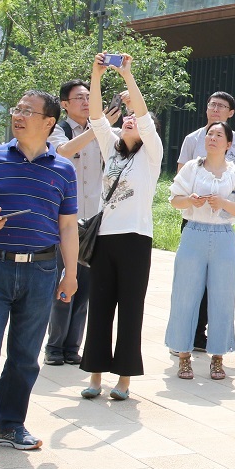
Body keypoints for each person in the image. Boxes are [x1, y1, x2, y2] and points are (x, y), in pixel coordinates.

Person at [0, 91, 79, 464]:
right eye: (16, 109)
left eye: (27, 111)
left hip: (42, 270)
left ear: (49, 122)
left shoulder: (63, 169)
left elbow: (68, 226)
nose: (18, 116)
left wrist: (70, 274)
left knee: (25, 355)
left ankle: (9, 425)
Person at [78, 54, 162, 401]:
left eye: (136, 120)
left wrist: (127, 74)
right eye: (126, 118)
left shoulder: (151, 155)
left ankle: (124, 379)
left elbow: (142, 115)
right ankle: (95, 376)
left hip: (135, 241)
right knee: (99, 308)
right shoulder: (111, 149)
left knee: (130, 310)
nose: (130, 120)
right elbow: (96, 117)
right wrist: (96, 75)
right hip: (104, 239)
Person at [166, 121, 235, 381]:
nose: (212, 138)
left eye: (218, 135)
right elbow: (174, 200)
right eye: (209, 134)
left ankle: (217, 357)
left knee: (223, 297)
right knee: (184, 295)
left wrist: (224, 202)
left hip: (224, 236)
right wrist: (190, 200)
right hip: (194, 232)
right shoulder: (193, 168)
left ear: (229, 144)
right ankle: (183, 356)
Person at [45, 79, 119, 367]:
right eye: (79, 98)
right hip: (64, 222)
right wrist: (97, 128)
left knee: (85, 288)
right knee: (63, 284)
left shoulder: (102, 132)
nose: (87, 102)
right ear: (65, 104)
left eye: (89, 97)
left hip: (93, 222)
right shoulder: (59, 130)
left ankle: (72, 347)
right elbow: (62, 152)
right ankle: (54, 346)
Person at [178, 91, 235, 353]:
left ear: (231, 113)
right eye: (212, 105)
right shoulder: (192, 139)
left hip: (223, 223)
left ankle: (205, 334)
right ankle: (186, 337)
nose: (215, 109)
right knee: (189, 283)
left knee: (218, 286)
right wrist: (190, 200)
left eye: (222, 106)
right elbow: (179, 183)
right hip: (195, 220)